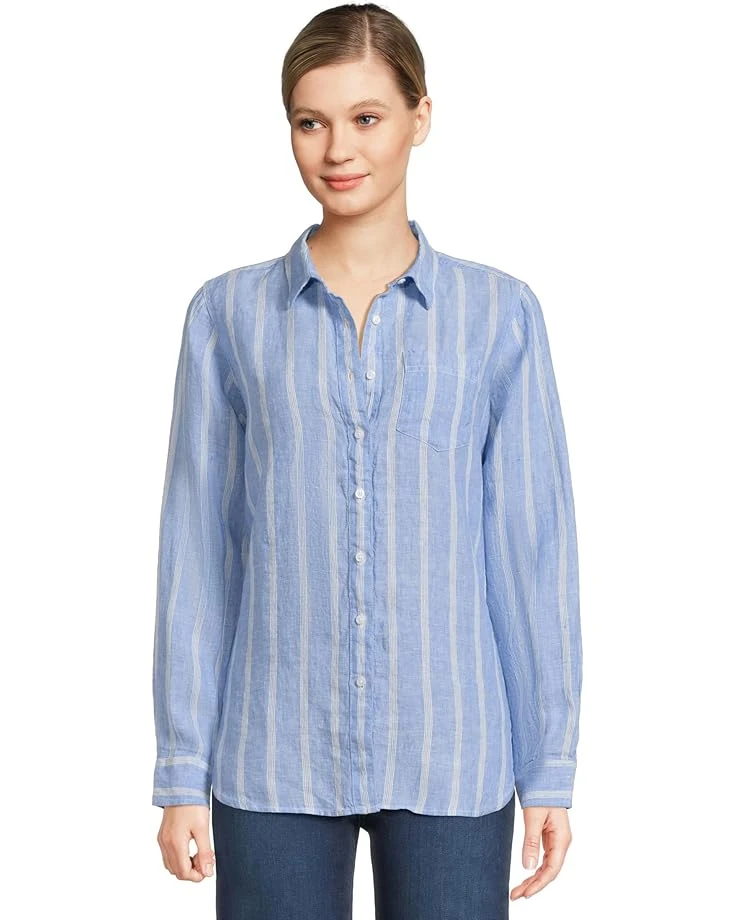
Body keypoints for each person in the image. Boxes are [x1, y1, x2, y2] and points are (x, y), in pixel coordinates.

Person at [151, 4, 583, 918]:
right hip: (272, 754)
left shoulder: (498, 317)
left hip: (452, 753)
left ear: (420, 118)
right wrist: (182, 769)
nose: (337, 149)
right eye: (310, 121)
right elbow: (198, 552)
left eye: (366, 117)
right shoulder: (228, 317)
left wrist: (549, 766)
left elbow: (530, 553)